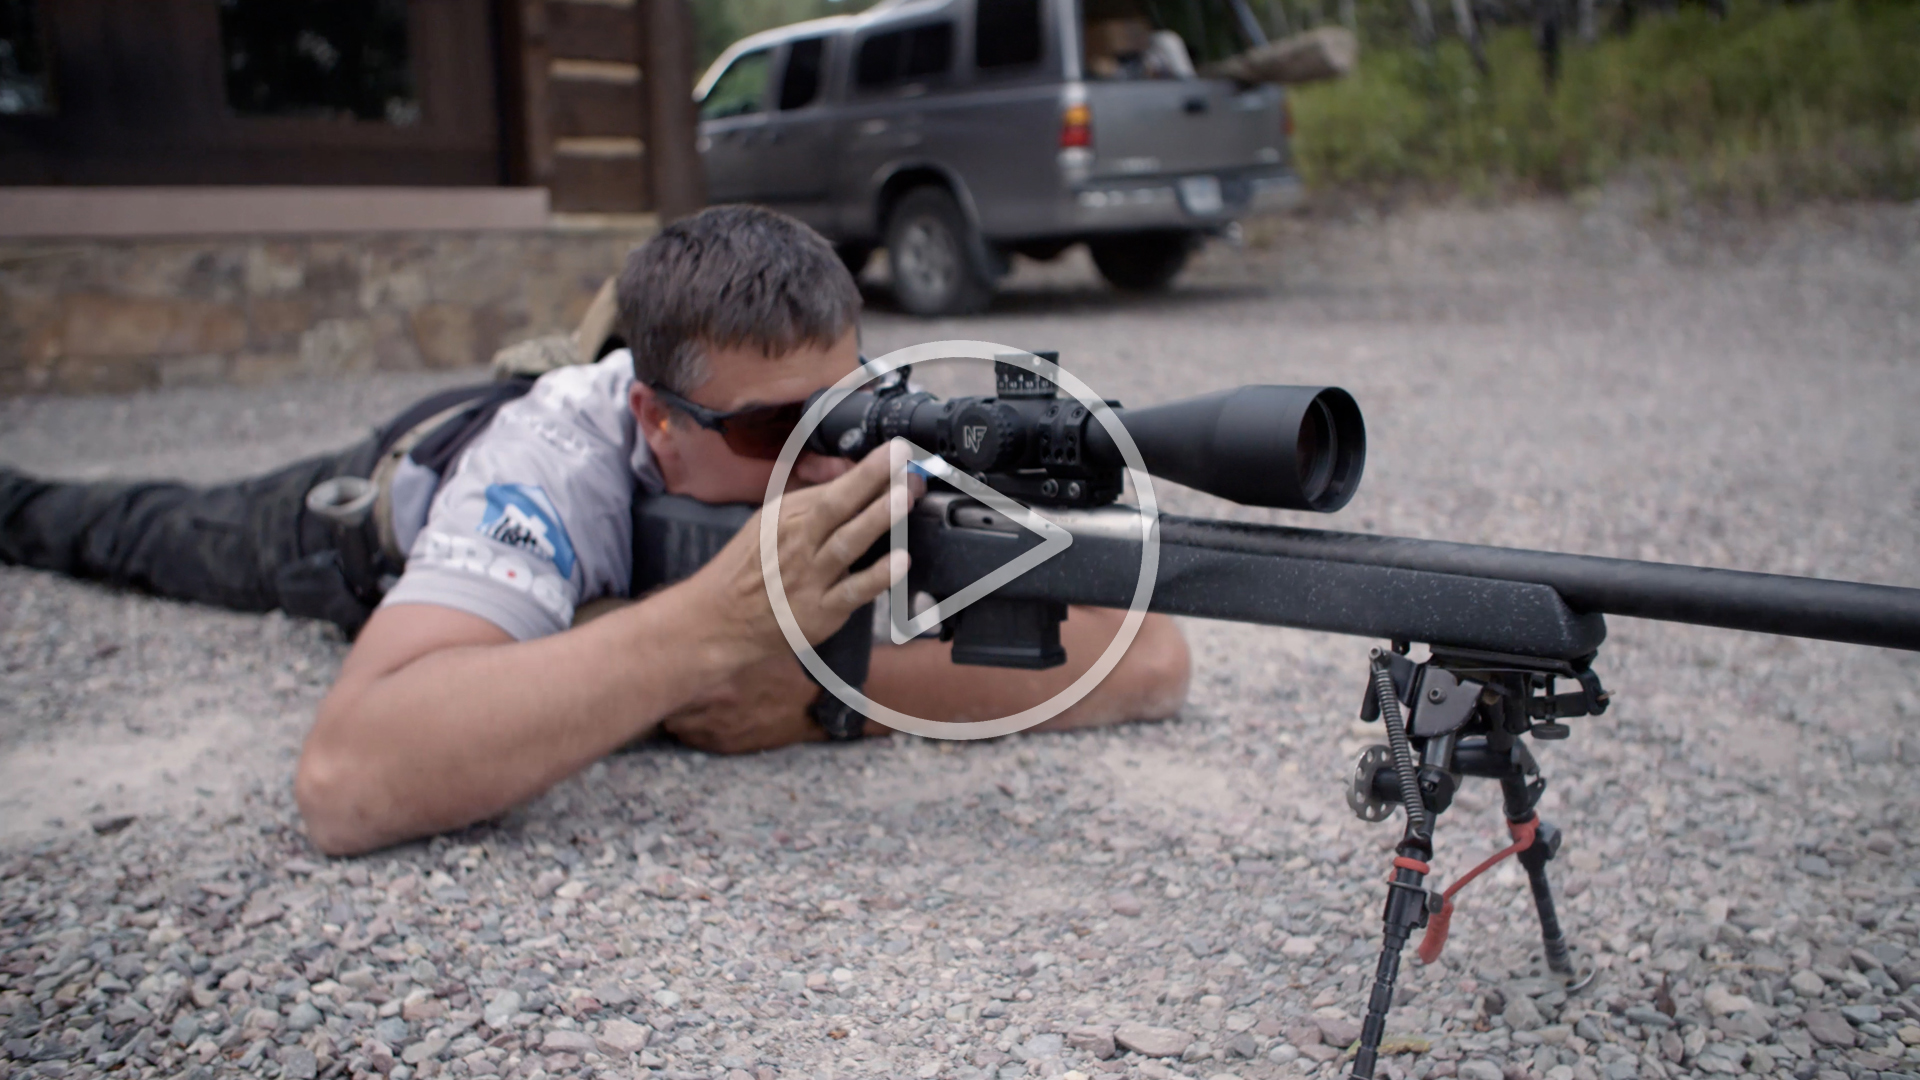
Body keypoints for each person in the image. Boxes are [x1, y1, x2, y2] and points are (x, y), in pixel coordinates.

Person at [0, 205, 1191, 856]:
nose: (823, 464)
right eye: (767, 429)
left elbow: (1147, 656)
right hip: (361, 512)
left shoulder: (863, 445)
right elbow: (346, 778)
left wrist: (831, 696)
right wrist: (712, 629)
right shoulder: (555, 456)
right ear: (652, 419)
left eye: (843, 408)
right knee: (134, 529)